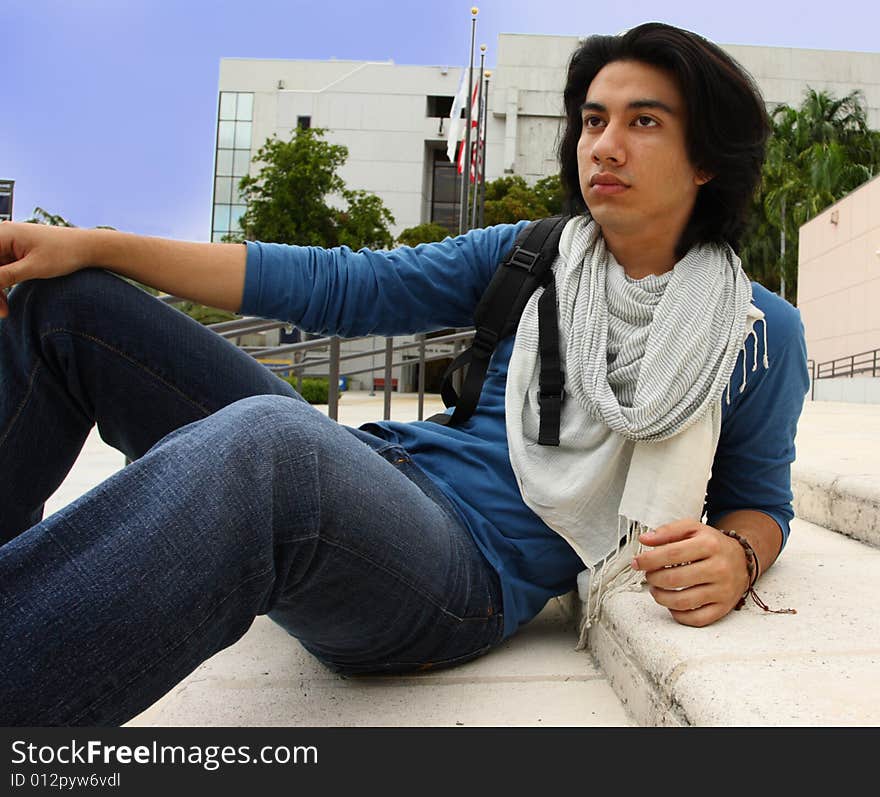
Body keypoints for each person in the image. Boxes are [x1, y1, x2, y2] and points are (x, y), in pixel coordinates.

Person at [0, 22, 809, 727]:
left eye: (643, 121)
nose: (604, 143)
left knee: (274, 445)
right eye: (594, 119)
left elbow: (761, 502)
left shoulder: (757, 332)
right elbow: (342, 285)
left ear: (705, 158)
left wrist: (739, 553)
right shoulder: (533, 255)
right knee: (66, 308)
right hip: (378, 479)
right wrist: (96, 245)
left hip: (460, 574)